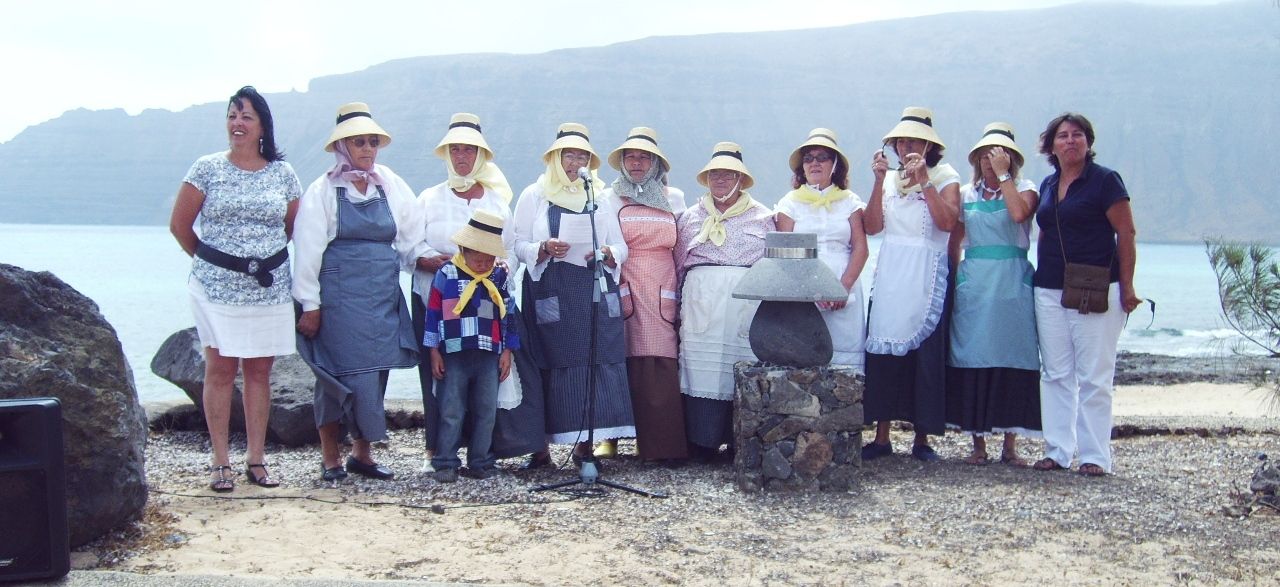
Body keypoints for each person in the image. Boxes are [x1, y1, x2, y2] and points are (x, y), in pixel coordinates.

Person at [170, 86, 301, 492]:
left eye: (246, 116)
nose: (237, 123)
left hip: (268, 289)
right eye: (232, 115)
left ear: (262, 125)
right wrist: (216, 264)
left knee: (260, 372)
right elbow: (180, 226)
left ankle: (257, 460)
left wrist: (256, 262)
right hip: (215, 289)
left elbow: (292, 228)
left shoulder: (283, 174)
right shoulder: (206, 168)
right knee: (221, 369)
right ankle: (220, 462)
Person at [293, 102, 422, 482]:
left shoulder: (390, 184)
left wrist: (435, 261)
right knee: (334, 377)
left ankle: (361, 455)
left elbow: (412, 237)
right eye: (358, 142)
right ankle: (331, 457)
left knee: (374, 375)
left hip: (381, 294)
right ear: (342, 146)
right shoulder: (322, 190)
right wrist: (309, 305)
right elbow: (307, 250)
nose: (367, 149)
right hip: (338, 298)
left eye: (371, 142)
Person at [410, 113, 543, 469]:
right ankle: (437, 453)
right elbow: (410, 246)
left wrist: (503, 270)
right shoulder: (429, 198)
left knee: (486, 388)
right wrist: (429, 261)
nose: (462, 157)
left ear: (481, 155)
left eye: (469, 150)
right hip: (439, 303)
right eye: (455, 149)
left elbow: (512, 249)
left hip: (487, 314)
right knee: (440, 382)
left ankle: (482, 454)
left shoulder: (497, 203)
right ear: (446, 154)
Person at [512, 122, 635, 467]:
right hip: (551, 289)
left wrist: (610, 254)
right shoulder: (534, 195)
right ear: (555, 158)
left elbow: (621, 245)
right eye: (569, 155)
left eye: (582, 155)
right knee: (548, 361)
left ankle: (586, 448)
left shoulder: (600, 196)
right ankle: (541, 450)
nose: (575, 161)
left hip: (591, 288)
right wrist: (544, 247)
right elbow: (517, 244)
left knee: (594, 360)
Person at [1031, 113, 1141, 477]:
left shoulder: (1105, 181)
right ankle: (1057, 451)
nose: (1070, 141)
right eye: (1062, 136)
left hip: (1096, 286)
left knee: (1095, 375)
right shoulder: (1048, 184)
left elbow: (1126, 234)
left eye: (1078, 135)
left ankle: (1094, 456)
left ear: (1088, 142)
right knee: (1056, 373)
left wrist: (1127, 287)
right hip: (1048, 287)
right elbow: (1046, 231)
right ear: (1051, 145)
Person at [861, 107, 962, 463]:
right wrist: (877, 181)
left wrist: (925, 182)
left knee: (926, 353)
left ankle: (922, 437)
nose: (906, 147)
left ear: (929, 145)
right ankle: (882, 435)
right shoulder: (889, 180)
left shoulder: (946, 176)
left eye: (914, 140)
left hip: (926, 266)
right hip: (891, 269)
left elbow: (948, 222)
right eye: (901, 141)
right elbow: (873, 227)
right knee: (883, 350)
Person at [945, 122, 1042, 466]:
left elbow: (1018, 214)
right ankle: (978, 444)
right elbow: (955, 241)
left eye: (999, 154)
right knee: (974, 355)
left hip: (1011, 284)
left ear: (1012, 158)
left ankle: (1011, 445)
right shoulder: (967, 195)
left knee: (1013, 355)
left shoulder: (1025, 189)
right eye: (986, 155)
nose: (991, 160)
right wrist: (955, 281)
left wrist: (1005, 177)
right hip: (976, 284)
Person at [674, 142, 774, 462]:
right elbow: (678, 263)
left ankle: (738, 441)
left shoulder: (763, 217)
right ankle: (701, 442)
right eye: (715, 173)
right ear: (706, 178)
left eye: (729, 173)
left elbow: (771, 263)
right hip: (701, 295)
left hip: (744, 297)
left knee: (739, 363)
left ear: (741, 179)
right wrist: (675, 304)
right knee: (699, 367)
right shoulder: (690, 217)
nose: (721, 178)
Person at [598, 127, 689, 462]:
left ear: (655, 163)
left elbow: (682, 245)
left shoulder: (675, 197)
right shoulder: (611, 197)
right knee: (623, 354)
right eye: (630, 156)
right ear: (622, 162)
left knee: (662, 356)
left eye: (643, 157)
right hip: (627, 279)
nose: (636, 162)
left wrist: (683, 287)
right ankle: (612, 439)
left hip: (665, 282)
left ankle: (660, 444)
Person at [423, 210, 519, 482]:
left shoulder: (498, 275)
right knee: (451, 408)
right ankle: (445, 461)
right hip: (453, 351)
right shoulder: (447, 273)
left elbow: (507, 314)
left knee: (486, 410)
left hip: (489, 352)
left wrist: (508, 351)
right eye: (477, 256)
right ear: (463, 249)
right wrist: (433, 351)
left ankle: (481, 461)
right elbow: (433, 314)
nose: (482, 263)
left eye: (488, 257)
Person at [773, 128, 869, 370]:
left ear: (834, 164)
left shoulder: (850, 201)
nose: (814, 163)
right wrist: (813, 289)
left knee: (844, 367)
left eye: (822, 157)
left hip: (844, 289)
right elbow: (785, 254)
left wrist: (841, 288)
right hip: (803, 291)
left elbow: (860, 248)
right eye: (808, 158)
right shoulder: (789, 203)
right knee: (806, 361)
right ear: (802, 167)